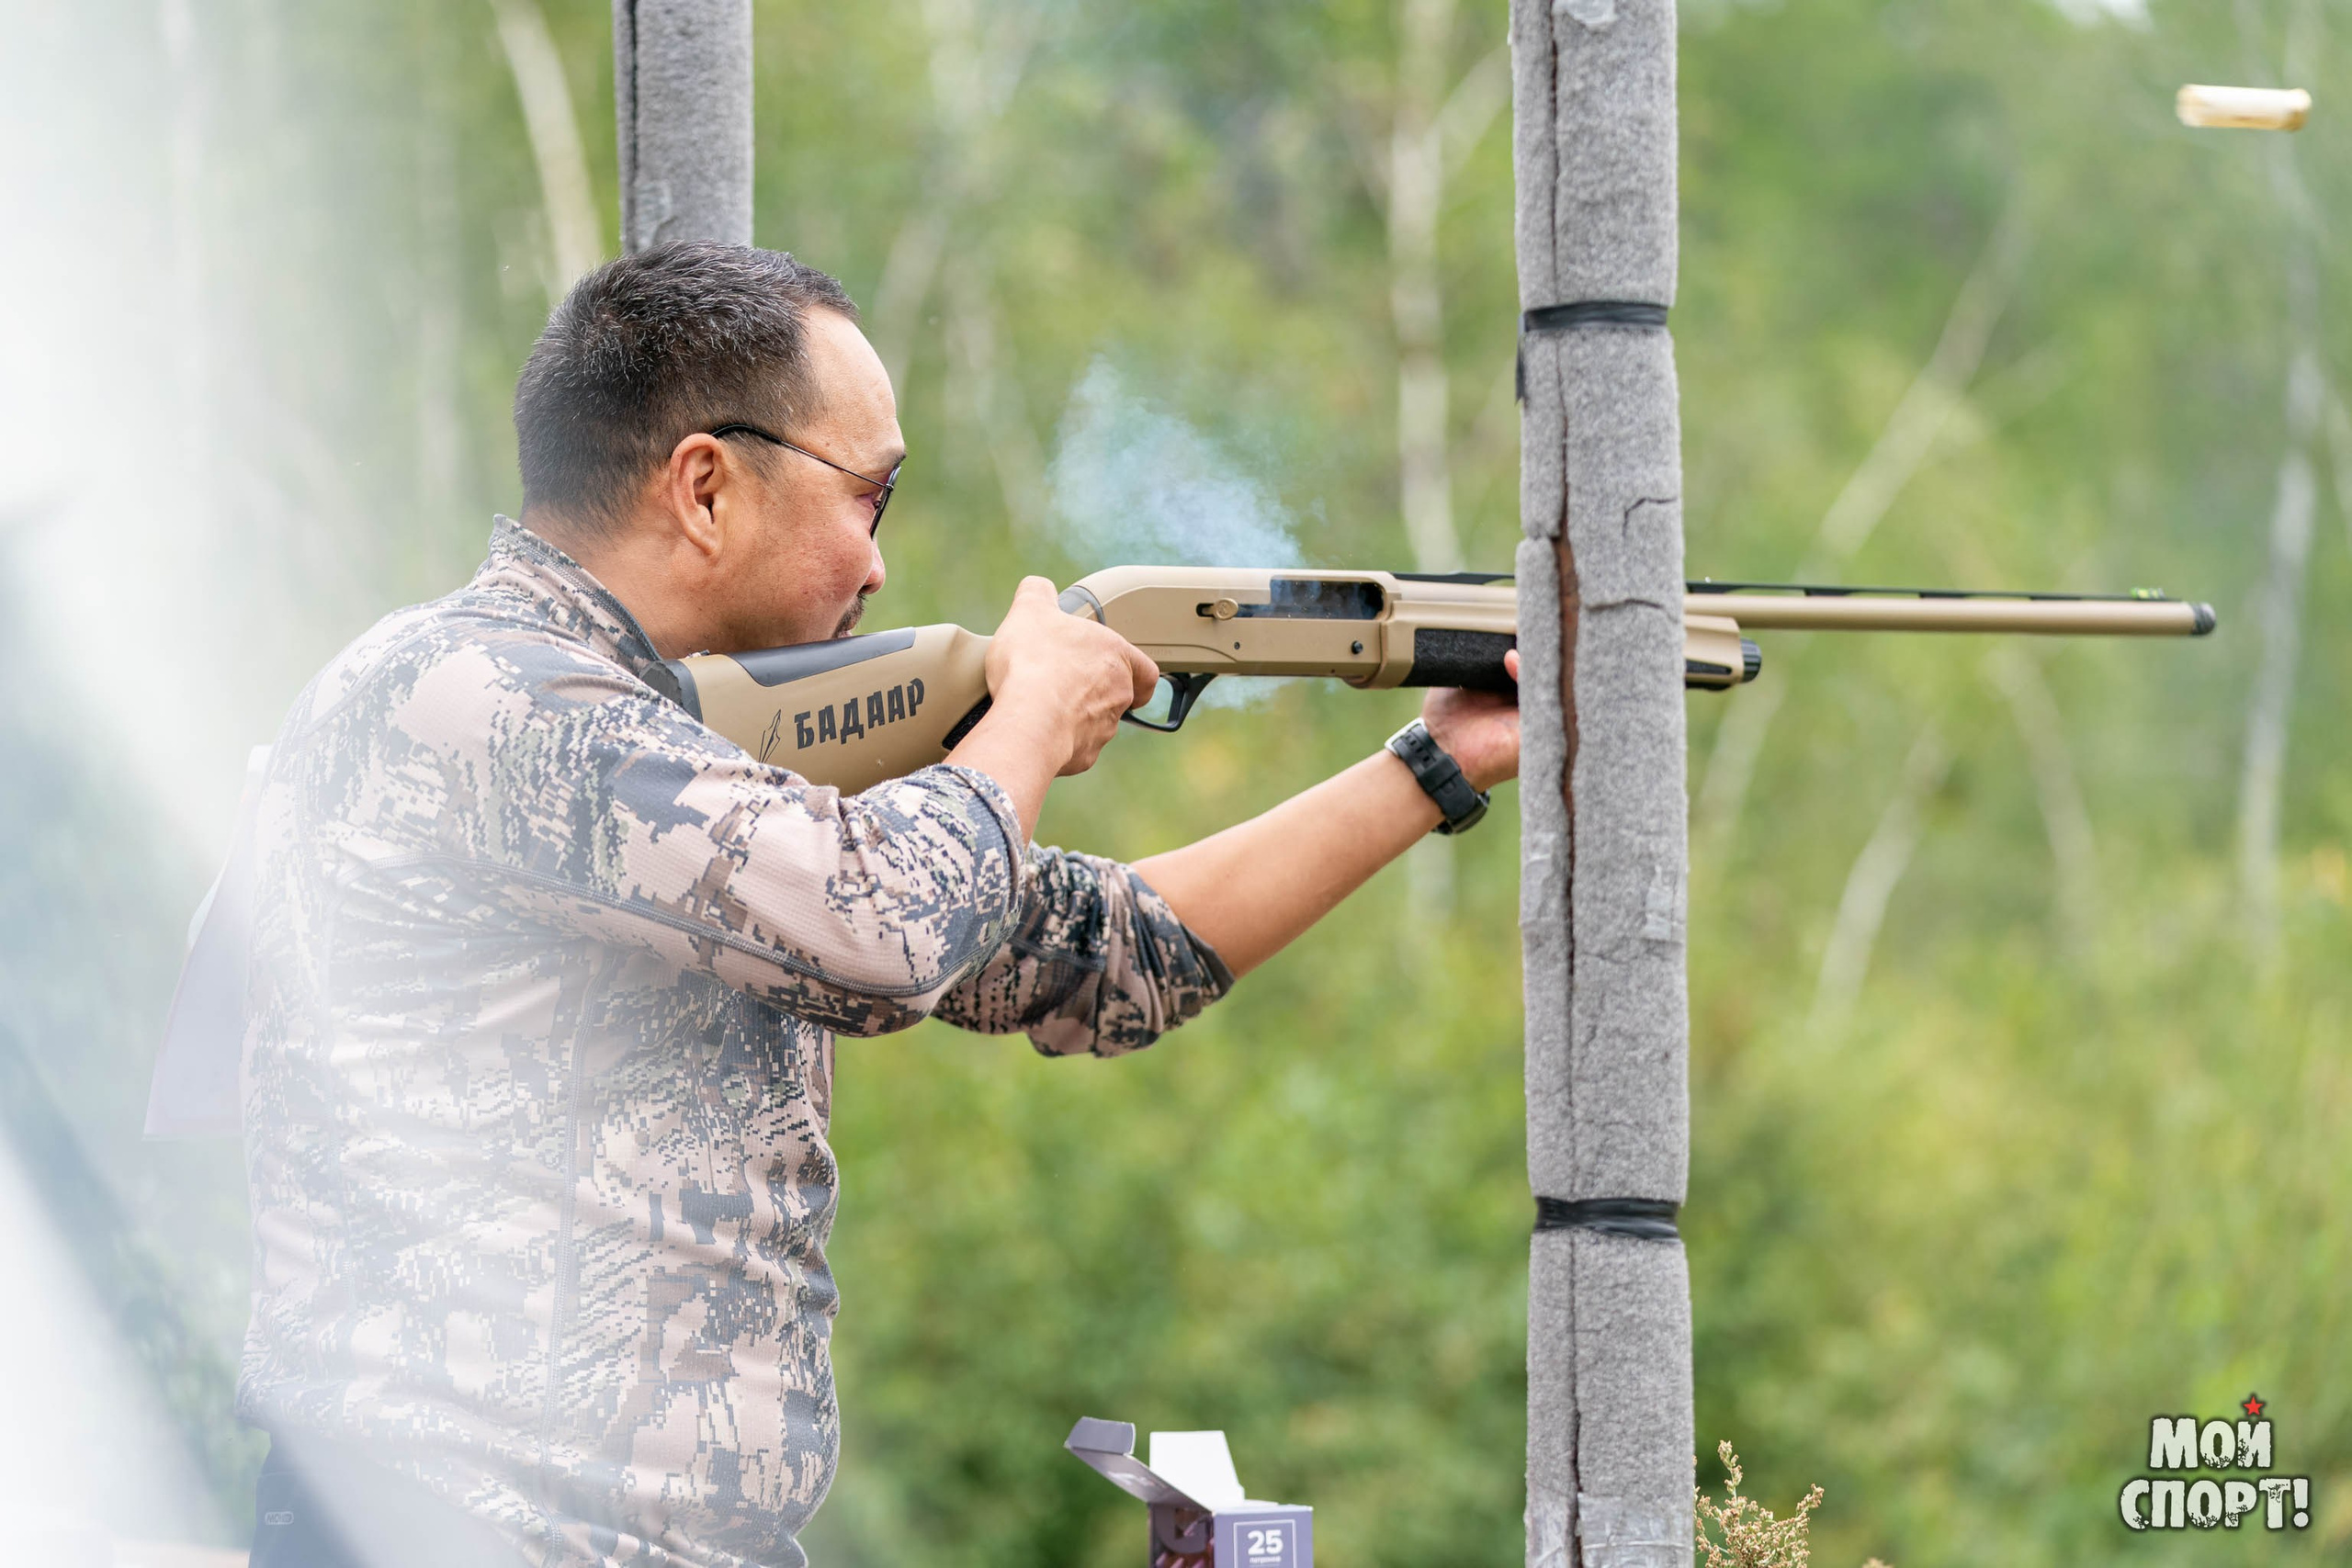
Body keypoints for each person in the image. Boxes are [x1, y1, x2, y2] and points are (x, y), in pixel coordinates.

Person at [237, 242, 1521, 1568]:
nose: (882, 564)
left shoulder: (666, 746)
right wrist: (1022, 722)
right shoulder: (479, 698)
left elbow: (1113, 957)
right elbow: (887, 936)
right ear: (704, 486)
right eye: (873, 496)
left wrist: (1435, 764)